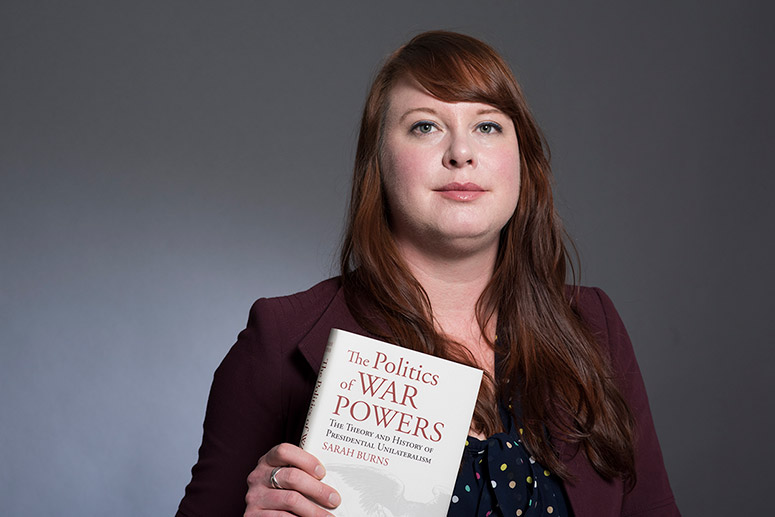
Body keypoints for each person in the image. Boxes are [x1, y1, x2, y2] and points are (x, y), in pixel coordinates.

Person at [176, 31, 679, 517]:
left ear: (522, 161)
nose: (461, 153)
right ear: (379, 162)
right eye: (425, 125)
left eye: (487, 126)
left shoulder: (595, 324)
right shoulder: (279, 339)